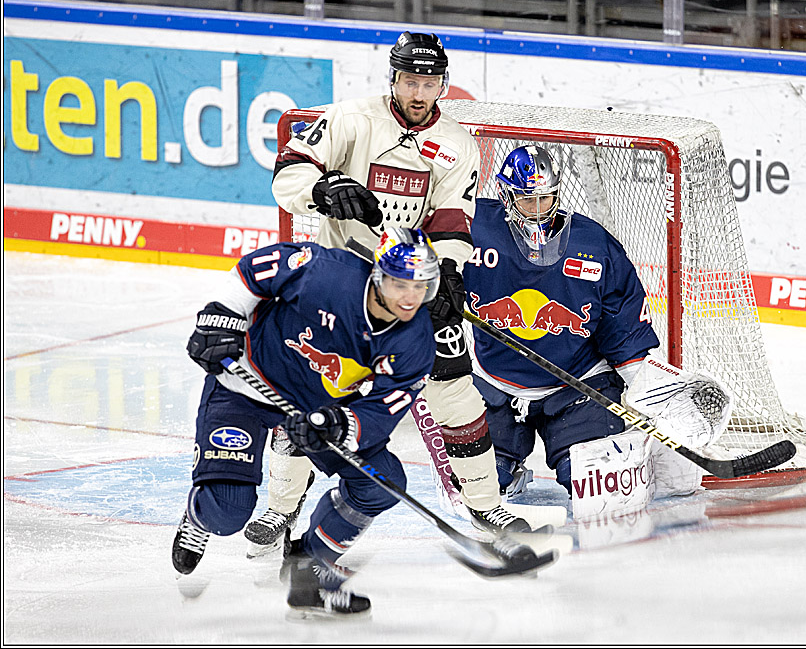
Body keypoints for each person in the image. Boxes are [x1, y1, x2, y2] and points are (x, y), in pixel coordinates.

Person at [257, 30, 527, 554]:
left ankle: (485, 504)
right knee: (302, 391)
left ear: (443, 84)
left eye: (430, 80)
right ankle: (280, 506)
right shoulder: (350, 120)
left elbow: (452, 217)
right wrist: (322, 190)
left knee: (453, 392)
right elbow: (287, 175)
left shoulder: (456, 144)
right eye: (410, 79)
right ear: (393, 79)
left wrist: (446, 274)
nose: (420, 91)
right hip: (341, 281)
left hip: (408, 284)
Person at [172, 228, 441, 615]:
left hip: (316, 409)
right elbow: (253, 273)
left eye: (421, 286)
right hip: (247, 384)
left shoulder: (414, 340)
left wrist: (338, 424)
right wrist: (222, 316)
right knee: (227, 511)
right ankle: (198, 518)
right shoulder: (325, 273)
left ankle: (310, 568)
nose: (411, 297)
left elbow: (385, 408)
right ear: (379, 276)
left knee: (382, 484)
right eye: (400, 284)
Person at [462, 144, 663, 497]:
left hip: (577, 383)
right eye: (528, 200)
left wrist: (638, 378)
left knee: (590, 484)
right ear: (507, 196)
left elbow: (622, 312)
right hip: (497, 382)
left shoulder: (592, 242)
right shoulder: (473, 227)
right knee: (486, 483)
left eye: (546, 198)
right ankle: (509, 464)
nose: (539, 211)